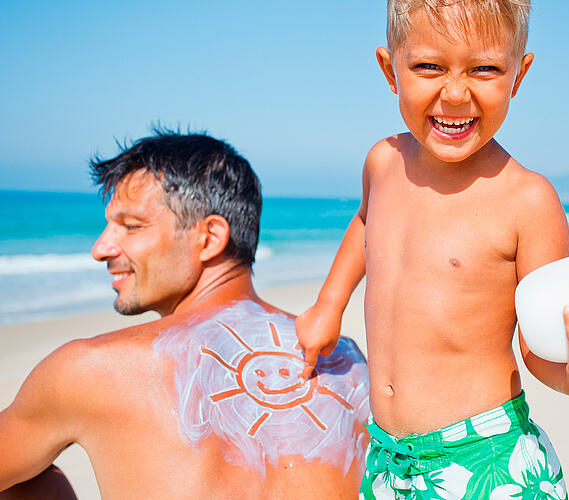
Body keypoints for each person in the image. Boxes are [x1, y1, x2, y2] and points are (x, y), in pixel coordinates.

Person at [295, 1, 569, 498]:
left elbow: (539, 347)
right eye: (429, 66)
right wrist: (330, 304)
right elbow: (366, 222)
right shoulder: (383, 161)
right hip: (388, 459)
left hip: (488, 459)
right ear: (390, 69)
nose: (455, 93)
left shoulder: (527, 202)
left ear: (517, 76)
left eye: (484, 69)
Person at [0, 131, 369, 498]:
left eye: (131, 226)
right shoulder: (345, 362)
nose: (101, 248)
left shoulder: (91, 367)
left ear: (209, 237)